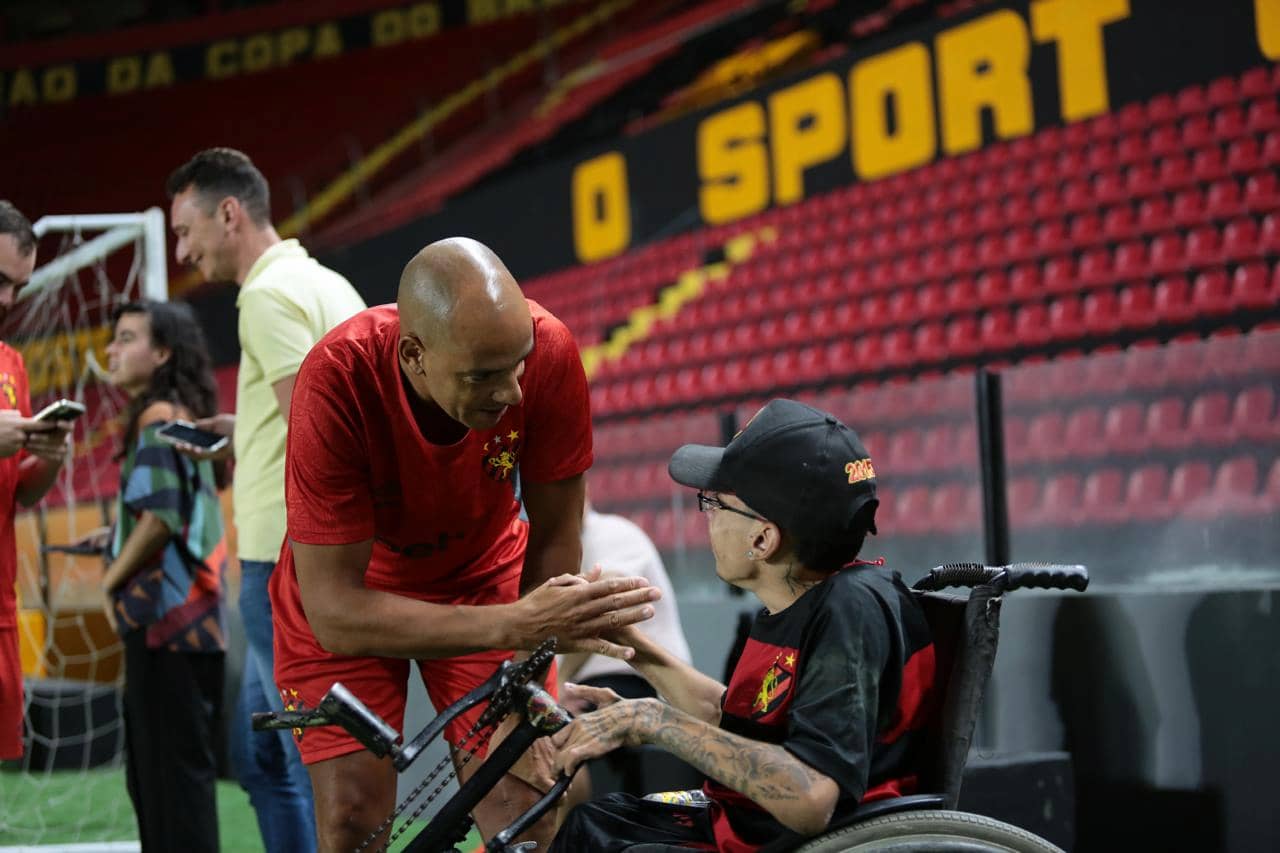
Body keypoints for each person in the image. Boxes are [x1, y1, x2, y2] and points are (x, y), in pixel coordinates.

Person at [269, 236, 661, 851]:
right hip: (353, 592)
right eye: (483, 375)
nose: (513, 394)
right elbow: (336, 617)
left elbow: (558, 533)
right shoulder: (335, 381)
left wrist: (536, 642)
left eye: (518, 364)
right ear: (415, 355)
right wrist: (514, 626)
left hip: (486, 576)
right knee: (352, 819)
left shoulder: (550, 348)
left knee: (525, 812)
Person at [548, 398, 938, 852]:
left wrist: (656, 721)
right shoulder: (807, 603)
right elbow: (739, 723)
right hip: (744, 825)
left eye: (714, 503)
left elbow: (811, 797)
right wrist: (634, 647)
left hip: (790, 839)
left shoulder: (849, 613)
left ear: (762, 538)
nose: (707, 516)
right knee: (595, 823)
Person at [166, 147, 365, 852]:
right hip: (307, 556)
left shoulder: (265, 296)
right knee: (265, 754)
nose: (183, 252)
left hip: (282, 559)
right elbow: (327, 415)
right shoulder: (328, 285)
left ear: (230, 214)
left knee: (293, 756)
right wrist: (243, 432)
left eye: (186, 232)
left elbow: (316, 436)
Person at [100, 301, 228, 851]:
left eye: (126, 338)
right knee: (183, 780)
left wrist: (109, 580)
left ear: (161, 354)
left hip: (163, 625)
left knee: (165, 787)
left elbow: (161, 518)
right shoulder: (176, 414)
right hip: (194, 624)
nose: (112, 349)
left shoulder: (155, 419)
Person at [557, 496, 693, 803]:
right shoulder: (554, 551)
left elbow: (603, 602)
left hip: (642, 680)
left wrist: (560, 683)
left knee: (555, 744)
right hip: (583, 685)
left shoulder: (614, 532)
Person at [0, 201, 73, 762]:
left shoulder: (11, 365)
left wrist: (46, 458)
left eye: (16, 288)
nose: (6, 300)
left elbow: (17, 494)